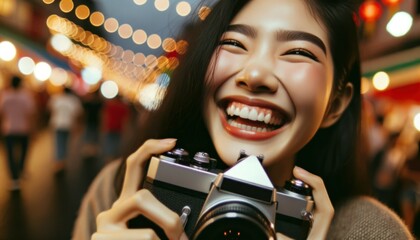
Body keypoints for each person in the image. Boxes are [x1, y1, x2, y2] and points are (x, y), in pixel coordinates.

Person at [72, 0, 414, 239]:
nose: (255, 73)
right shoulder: (120, 193)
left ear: (336, 104)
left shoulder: (369, 232)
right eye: (234, 43)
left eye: (297, 52)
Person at [0, 75, 36, 191]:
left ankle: (14, 178)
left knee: (10, 154)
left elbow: (2, 113)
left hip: (9, 129)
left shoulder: (6, 96)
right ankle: (21, 169)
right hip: (23, 129)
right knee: (23, 151)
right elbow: (30, 113)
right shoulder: (25, 96)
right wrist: (33, 128)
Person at [48, 87, 83, 172]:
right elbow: (78, 113)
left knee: (58, 142)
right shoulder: (74, 100)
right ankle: (62, 161)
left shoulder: (56, 98)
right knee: (65, 143)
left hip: (57, 124)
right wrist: (77, 126)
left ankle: (59, 162)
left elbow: (51, 110)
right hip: (69, 124)